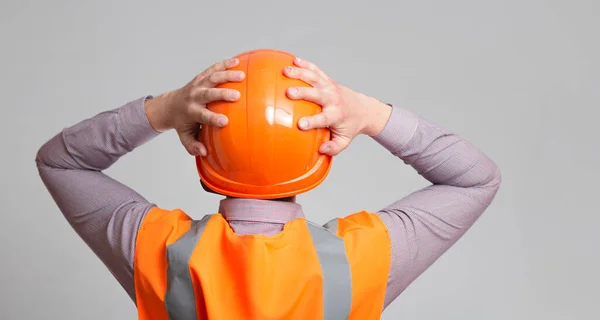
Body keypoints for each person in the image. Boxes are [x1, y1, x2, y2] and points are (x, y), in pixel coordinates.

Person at [35, 51, 502, 319]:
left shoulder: (155, 248)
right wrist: (369, 113)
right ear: (322, 157)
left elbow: (62, 163)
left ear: (202, 154)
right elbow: (474, 180)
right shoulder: (364, 259)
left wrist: (163, 109)